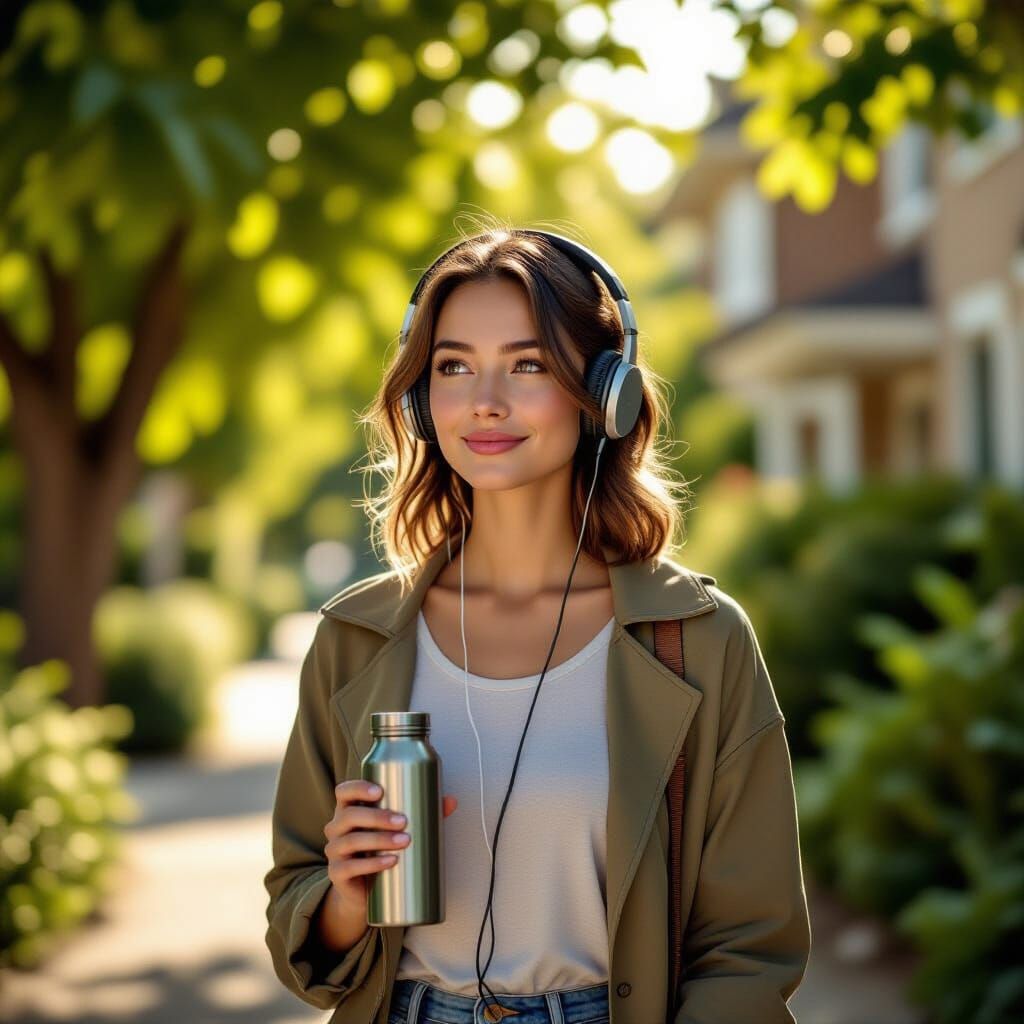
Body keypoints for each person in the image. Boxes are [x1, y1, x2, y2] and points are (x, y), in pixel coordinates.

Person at [264, 224, 812, 1024]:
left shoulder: (701, 640)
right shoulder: (356, 639)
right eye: (453, 366)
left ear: (604, 393)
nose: (486, 399)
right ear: (421, 400)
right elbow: (297, 919)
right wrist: (346, 898)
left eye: (528, 364)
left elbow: (751, 949)